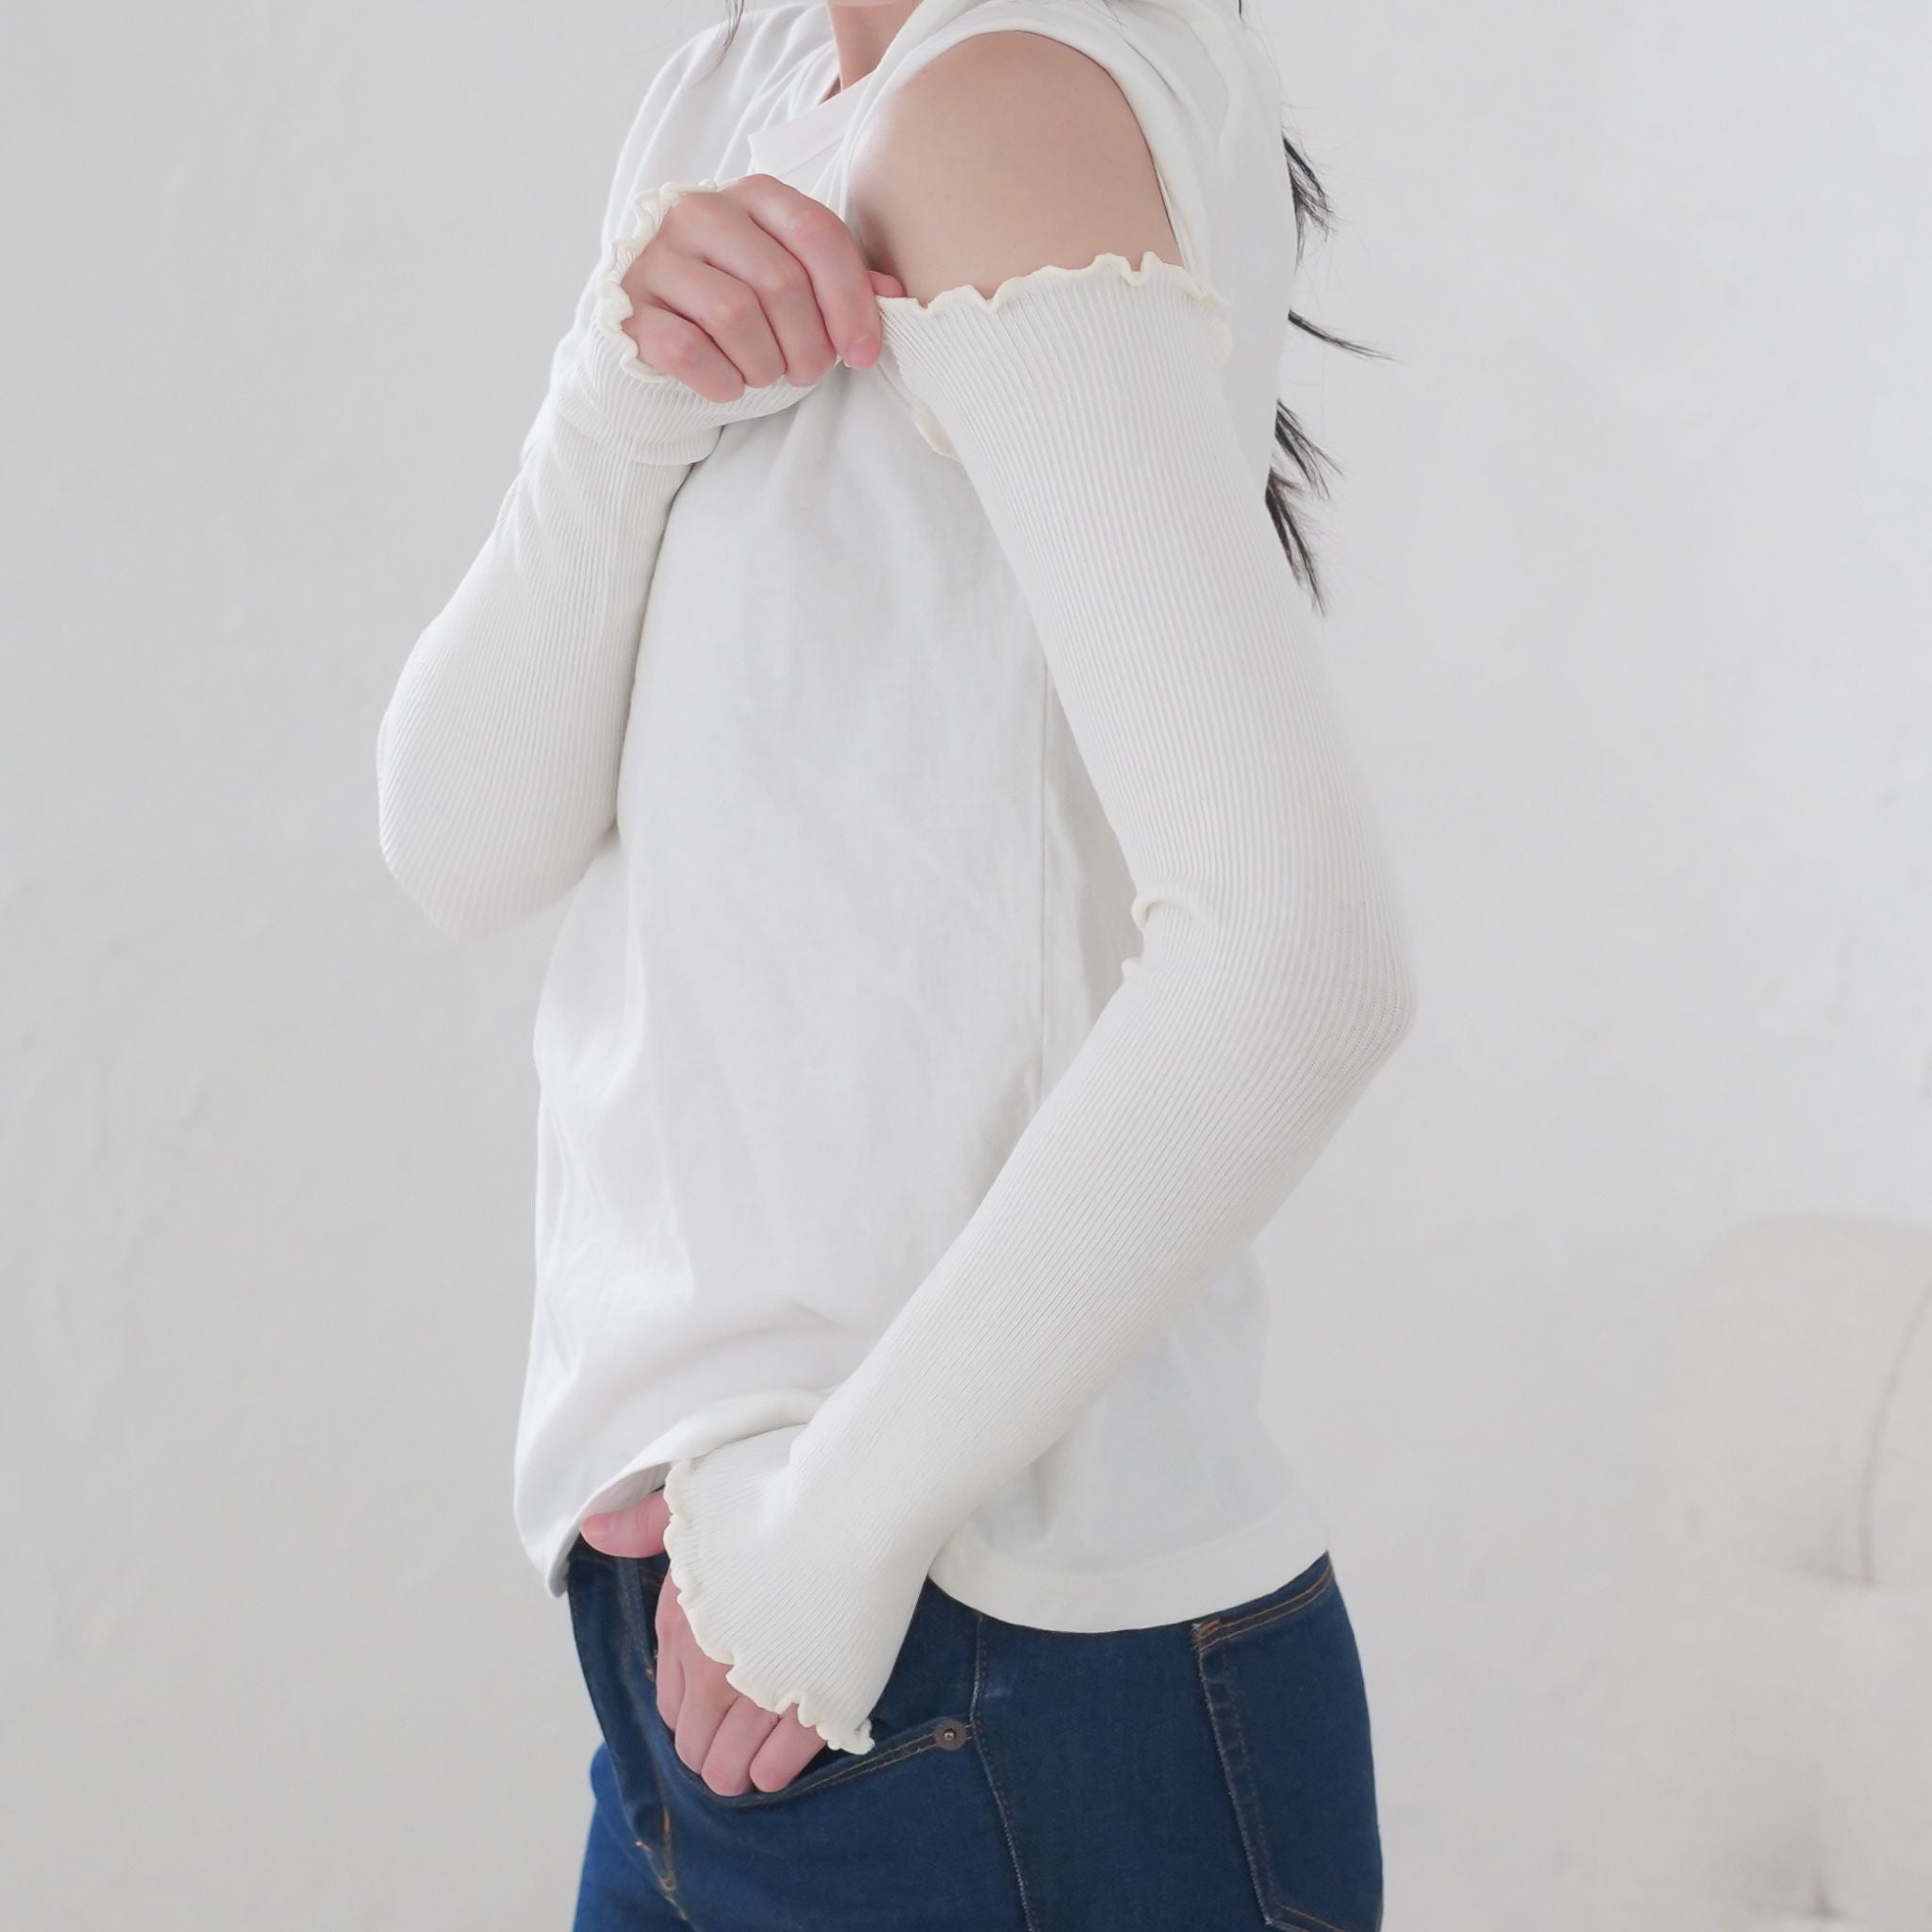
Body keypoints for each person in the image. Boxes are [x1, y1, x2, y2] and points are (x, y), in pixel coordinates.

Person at [375, 0, 1419, 1923]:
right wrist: (619, 406)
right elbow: (462, 844)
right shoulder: (735, 91)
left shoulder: (1007, 97)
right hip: (736, 1671)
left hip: (981, 1675)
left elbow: (1298, 956)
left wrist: (822, 1541)